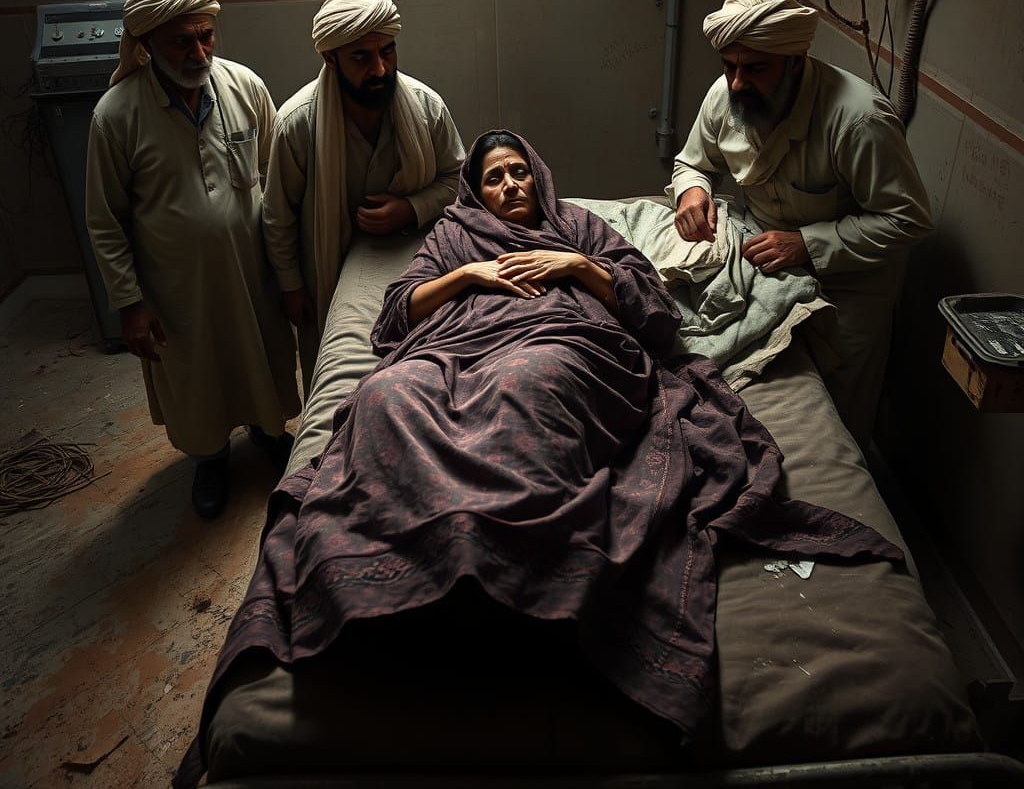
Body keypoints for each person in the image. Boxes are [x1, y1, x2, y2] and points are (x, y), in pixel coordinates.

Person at [174, 130, 901, 788]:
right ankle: (399, 573)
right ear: (474, 191)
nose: (511, 186)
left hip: (561, 346)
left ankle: (517, 570)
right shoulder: (455, 234)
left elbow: (652, 310)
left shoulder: (579, 227)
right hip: (450, 350)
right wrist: (470, 278)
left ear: (540, 178)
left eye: (521, 172)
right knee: (388, 396)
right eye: (494, 178)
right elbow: (395, 316)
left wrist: (577, 267)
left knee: (529, 388)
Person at [669, 0, 933, 447]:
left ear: (795, 60)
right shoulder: (725, 95)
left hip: (849, 289)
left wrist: (806, 243)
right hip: (764, 262)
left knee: (837, 427)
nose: (736, 83)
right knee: (753, 389)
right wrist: (692, 191)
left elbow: (906, 219)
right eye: (729, 66)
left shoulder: (857, 119)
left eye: (754, 69)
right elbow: (692, 162)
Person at [86, 0, 300, 519]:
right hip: (175, 286)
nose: (199, 51)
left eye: (206, 36)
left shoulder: (245, 87)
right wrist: (131, 304)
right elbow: (105, 220)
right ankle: (210, 457)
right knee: (195, 376)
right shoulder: (116, 115)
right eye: (183, 41)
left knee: (261, 356)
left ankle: (268, 433)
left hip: (251, 271)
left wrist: (290, 270)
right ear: (147, 42)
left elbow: (276, 181)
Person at [261, 0, 465, 394]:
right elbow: (277, 216)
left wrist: (411, 209)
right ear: (330, 58)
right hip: (329, 275)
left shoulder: (426, 107)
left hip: (418, 269)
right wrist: (292, 286)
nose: (380, 69)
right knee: (340, 381)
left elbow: (459, 182)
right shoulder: (297, 123)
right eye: (362, 57)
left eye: (387, 52)